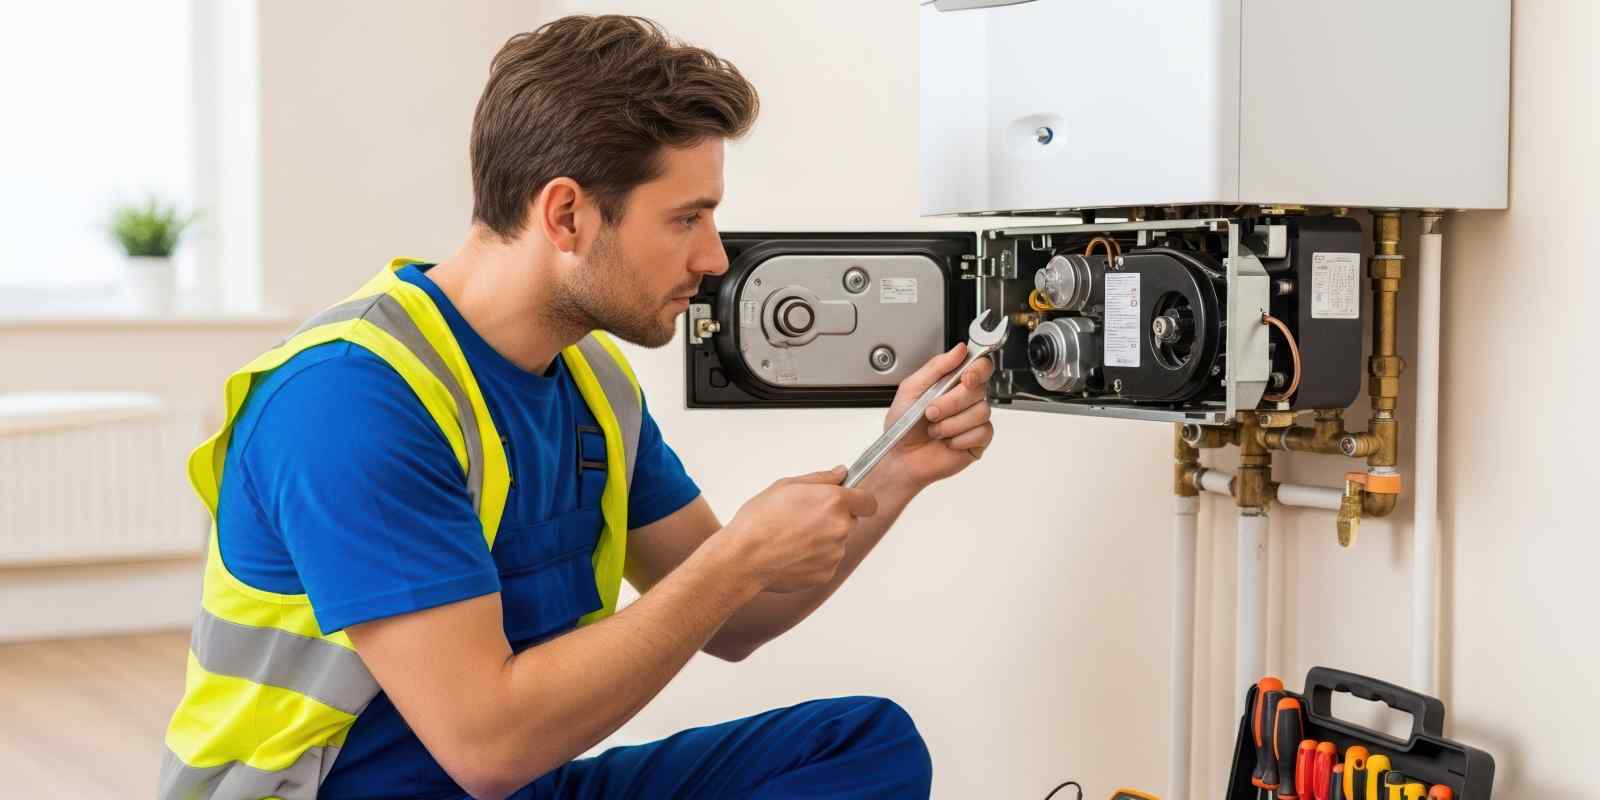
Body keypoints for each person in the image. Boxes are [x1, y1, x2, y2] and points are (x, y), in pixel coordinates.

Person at [160, 14, 995, 800]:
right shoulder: (351, 402)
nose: (714, 258)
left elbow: (738, 619)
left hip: (515, 784)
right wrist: (735, 556)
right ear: (566, 214)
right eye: (687, 219)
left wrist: (897, 470)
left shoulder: (593, 381)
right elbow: (487, 748)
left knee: (866, 744)